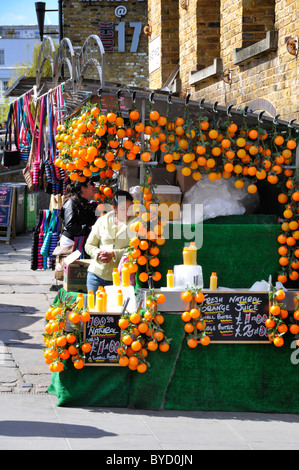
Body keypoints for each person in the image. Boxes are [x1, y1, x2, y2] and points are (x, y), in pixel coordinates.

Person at [85, 189, 134, 294]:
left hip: (120, 279)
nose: (127, 212)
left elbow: (136, 250)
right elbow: (89, 245)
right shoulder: (102, 221)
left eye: (129, 208)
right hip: (96, 275)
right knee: (94, 308)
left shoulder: (136, 223)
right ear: (114, 208)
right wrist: (99, 254)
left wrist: (114, 254)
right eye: (122, 209)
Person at [60, 178, 98, 250]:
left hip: (81, 241)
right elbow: (70, 225)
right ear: (83, 188)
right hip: (70, 243)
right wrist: (89, 229)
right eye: (91, 184)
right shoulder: (71, 202)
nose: (94, 186)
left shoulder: (85, 202)